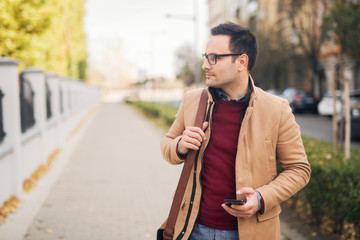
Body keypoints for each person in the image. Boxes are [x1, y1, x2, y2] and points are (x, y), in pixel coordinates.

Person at [160, 22, 311, 240]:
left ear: (241, 62)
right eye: (205, 56)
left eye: (214, 58)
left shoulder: (277, 109)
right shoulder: (193, 101)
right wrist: (180, 145)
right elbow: (167, 144)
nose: (205, 65)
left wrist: (261, 198)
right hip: (191, 229)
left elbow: (299, 169)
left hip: (250, 232)